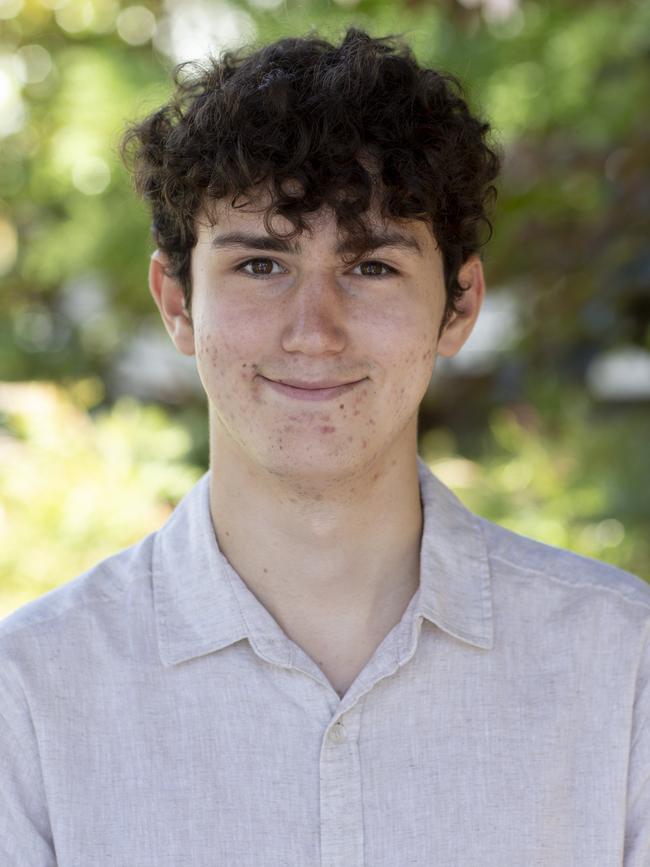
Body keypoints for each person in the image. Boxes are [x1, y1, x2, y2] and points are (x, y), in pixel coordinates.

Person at [1, 27, 648, 867]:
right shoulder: (31, 695)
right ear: (176, 301)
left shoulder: (623, 667)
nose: (314, 332)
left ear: (458, 305)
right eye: (262, 265)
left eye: (372, 266)